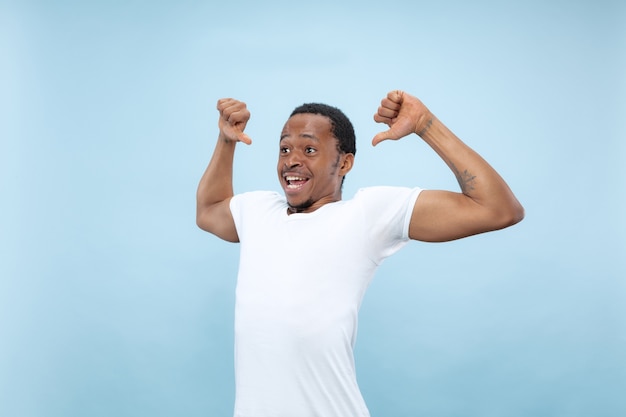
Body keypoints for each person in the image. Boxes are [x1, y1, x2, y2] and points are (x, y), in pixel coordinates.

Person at [196, 90, 524, 417]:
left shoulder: (367, 214)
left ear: (345, 162)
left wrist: (425, 124)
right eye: (284, 149)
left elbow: (497, 209)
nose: (291, 160)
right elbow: (209, 210)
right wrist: (227, 141)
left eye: (309, 149)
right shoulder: (257, 210)